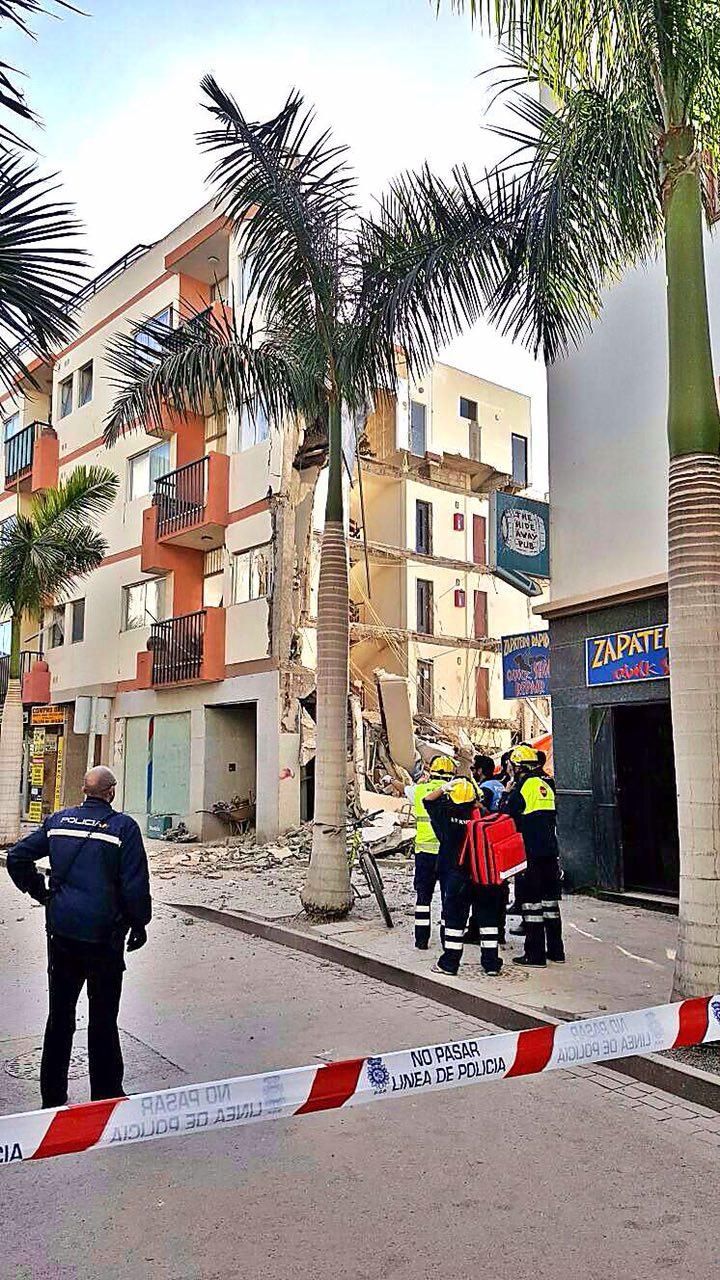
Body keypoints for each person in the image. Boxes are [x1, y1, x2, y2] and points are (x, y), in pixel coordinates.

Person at [6, 766, 152, 1108]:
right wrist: (139, 923)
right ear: (111, 792)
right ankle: (106, 1096)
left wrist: (38, 891)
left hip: (62, 934)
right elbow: (134, 886)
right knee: (103, 1017)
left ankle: (52, 1099)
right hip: (104, 938)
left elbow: (17, 857)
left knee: (59, 1016)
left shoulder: (58, 822)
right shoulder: (123, 828)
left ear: (84, 791)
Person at [424, 778, 504, 977]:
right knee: (487, 921)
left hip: (456, 876)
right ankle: (491, 964)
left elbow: (428, 801)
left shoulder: (445, 814)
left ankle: (449, 963)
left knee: (454, 921)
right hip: (484, 876)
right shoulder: (483, 814)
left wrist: (443, 788)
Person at [501, 745, 565, 967]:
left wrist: (506, 793)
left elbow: (507, 816)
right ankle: (556, 951)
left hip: (530, 853)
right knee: (550, 903)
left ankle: (534, 954)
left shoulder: (522, 787)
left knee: (531, 905)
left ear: (518, 767)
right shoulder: (548, 784)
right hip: (550, 851)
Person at [405, 755, 455, 948]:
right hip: (446, 853)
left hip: (424, 853)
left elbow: (405, 789)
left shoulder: (419, 791)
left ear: (430, 772)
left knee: (423, 898)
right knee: (446, 898)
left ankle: (421, 940)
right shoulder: (454, 793)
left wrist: (390, 781)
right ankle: (446, 939)